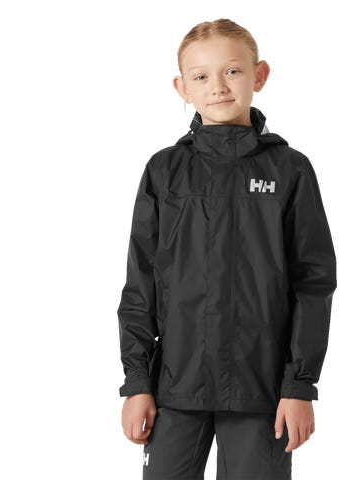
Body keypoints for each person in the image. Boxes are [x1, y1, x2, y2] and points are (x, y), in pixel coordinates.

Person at [117, 18, 337, 480]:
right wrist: (137, 382)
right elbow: (141, 283)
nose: (217, 86)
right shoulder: (164, 171)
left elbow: (312, 283)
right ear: (182, 87)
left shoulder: (289, 170)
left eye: (232, 71)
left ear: (260, 75)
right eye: (200, 76)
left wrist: (299, 386)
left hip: (261, 391)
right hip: (176, 388)